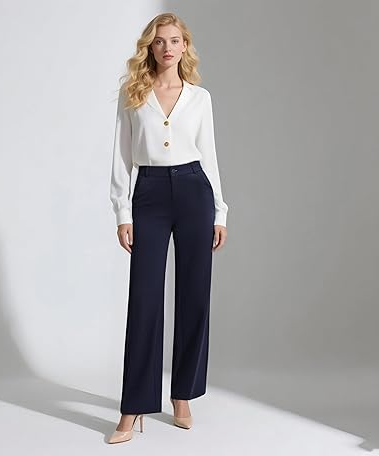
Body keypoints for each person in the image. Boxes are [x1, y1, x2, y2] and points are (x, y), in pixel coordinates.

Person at [108, 12, 229, 444]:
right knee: (144, 299)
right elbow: (122, 157)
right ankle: (133, 408)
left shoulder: (200, 98)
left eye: (175, 40)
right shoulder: (134, 94)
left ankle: (183, 395)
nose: (167, 48)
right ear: (150, 46)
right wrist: (123, 212)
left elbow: (209, 156)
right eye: (160, 41)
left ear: (184, 46)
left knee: (194, 295)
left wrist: (220, 212)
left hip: (195, 191)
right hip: (150, 195)